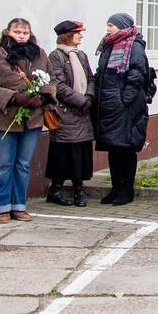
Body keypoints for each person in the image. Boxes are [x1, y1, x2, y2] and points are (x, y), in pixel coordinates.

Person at [0, 18, 54, 224]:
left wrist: (44, 97)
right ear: (8, 32)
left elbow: (51, 80)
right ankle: (2, 207)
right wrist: (12, 97)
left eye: (25, 32)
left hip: (32, 119)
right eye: (17, 31)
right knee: (3, 164)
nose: (21, 35)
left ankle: (19, 206)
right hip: (2, 119)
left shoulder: (39, 54)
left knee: (23, 164)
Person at [93, 13, 154, 207]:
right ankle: (115, 188)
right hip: (109, 105)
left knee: (125, 148)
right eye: (107, 24)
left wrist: (124, 100)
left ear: (122, 26)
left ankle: (126, 189)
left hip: (125, 106)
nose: (108, 28)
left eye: (111, 25)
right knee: (113, 147)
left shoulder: (133, 46)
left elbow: (137, 74)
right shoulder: (108, 45)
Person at [45, 20, 95, 207]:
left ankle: (79, 190)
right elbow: (58, 84)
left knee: (80, 152)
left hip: (82, 113)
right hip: (67, 113)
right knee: (64, 153)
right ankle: (56, 189)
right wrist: (81, 101)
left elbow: (90, 77)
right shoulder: (56, 56)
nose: (81, 36)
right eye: (78, 33)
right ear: (67, 35)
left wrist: (89, 96)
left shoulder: (81, 55)